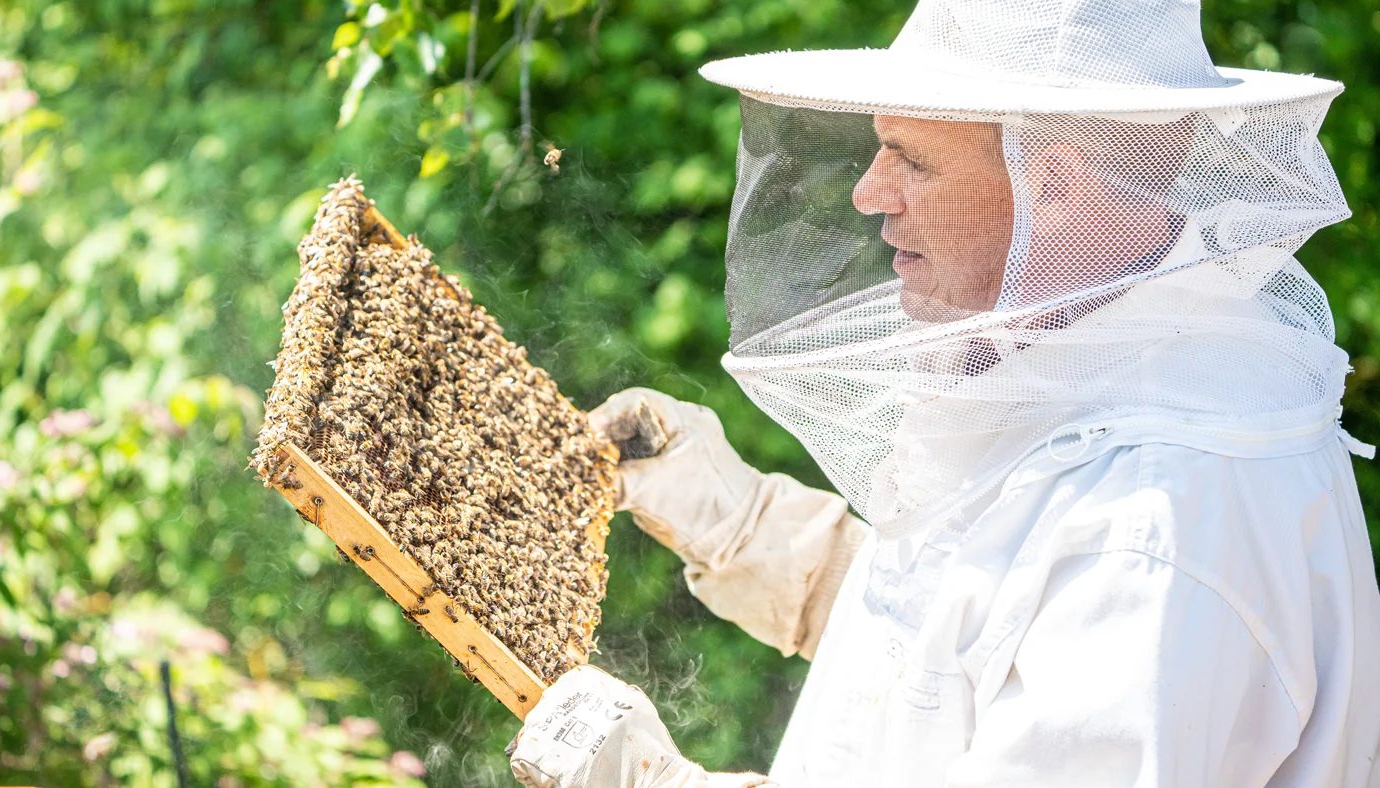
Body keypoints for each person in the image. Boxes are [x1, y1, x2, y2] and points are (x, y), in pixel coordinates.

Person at [507, 0, 1380, 785]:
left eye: (911, 162)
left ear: (1060, 187)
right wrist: (757, 537)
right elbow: (971, 649)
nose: (867, 193)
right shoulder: (1087, 371)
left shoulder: (1156, 534)